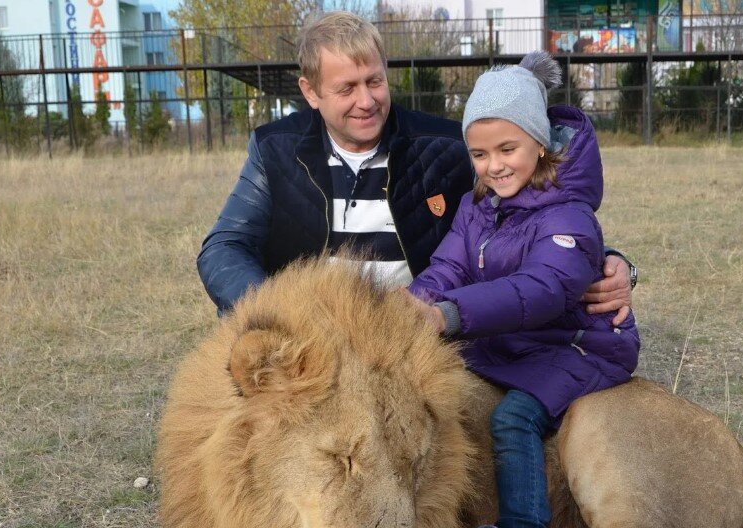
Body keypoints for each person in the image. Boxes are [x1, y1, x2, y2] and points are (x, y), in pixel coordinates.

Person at [195, 11, 635, 320]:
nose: (366, 101)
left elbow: (535, 208)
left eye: (375, 81)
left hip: (413, 331)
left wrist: (613, 261)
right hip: (307, 335)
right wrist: (276, 313)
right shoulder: (274, 150)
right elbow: (224, 248)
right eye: (346, 88)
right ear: (311, 93)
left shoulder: (446, 146)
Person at [406, 52, 640, 528]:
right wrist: (412, 303)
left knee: (513, 417)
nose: (493, 166)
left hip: (577, 346)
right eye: (480, 154)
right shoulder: (477, 207)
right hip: (520, 344)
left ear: (540, 143)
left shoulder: (570, 214)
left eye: (507, 149)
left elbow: (543, 290)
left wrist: (447, 316)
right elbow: (447, 267)